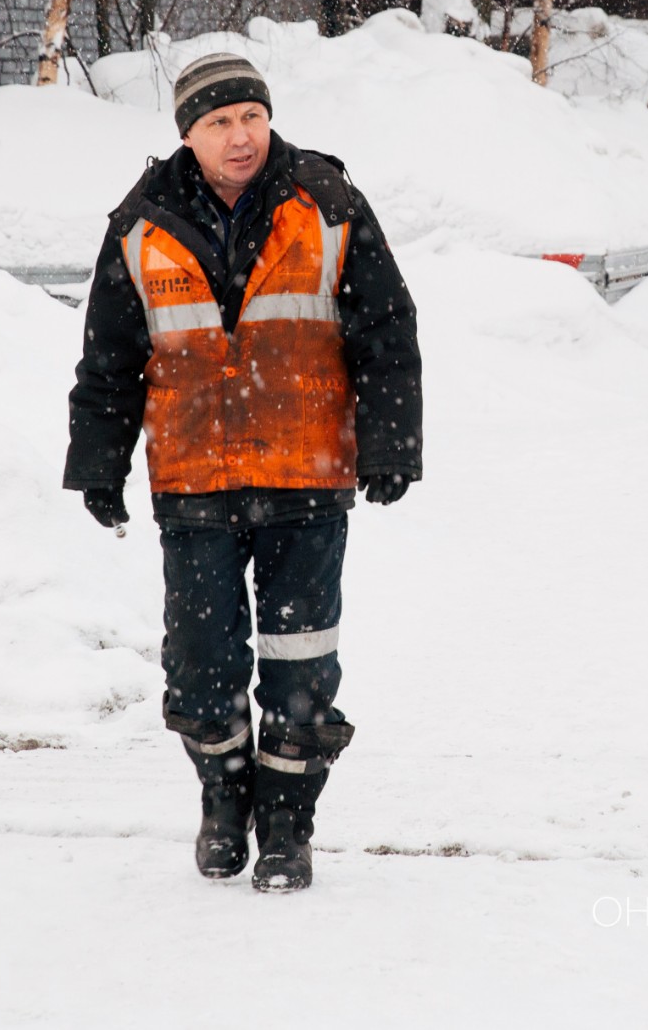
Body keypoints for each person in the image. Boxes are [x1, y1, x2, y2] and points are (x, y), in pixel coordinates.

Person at [64, 53, 423, 893]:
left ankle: (288, 826)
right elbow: (109, 358)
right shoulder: (141, 222)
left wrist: (392, 445)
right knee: (199, 664)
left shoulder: (328, 204)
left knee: (301, 666)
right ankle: (225, 799)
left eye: (251, 117)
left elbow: (386, 330)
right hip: (194, 481)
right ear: (187, 134)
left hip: (305, 478)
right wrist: (98, 464)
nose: (240, 136)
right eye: (220, 122)